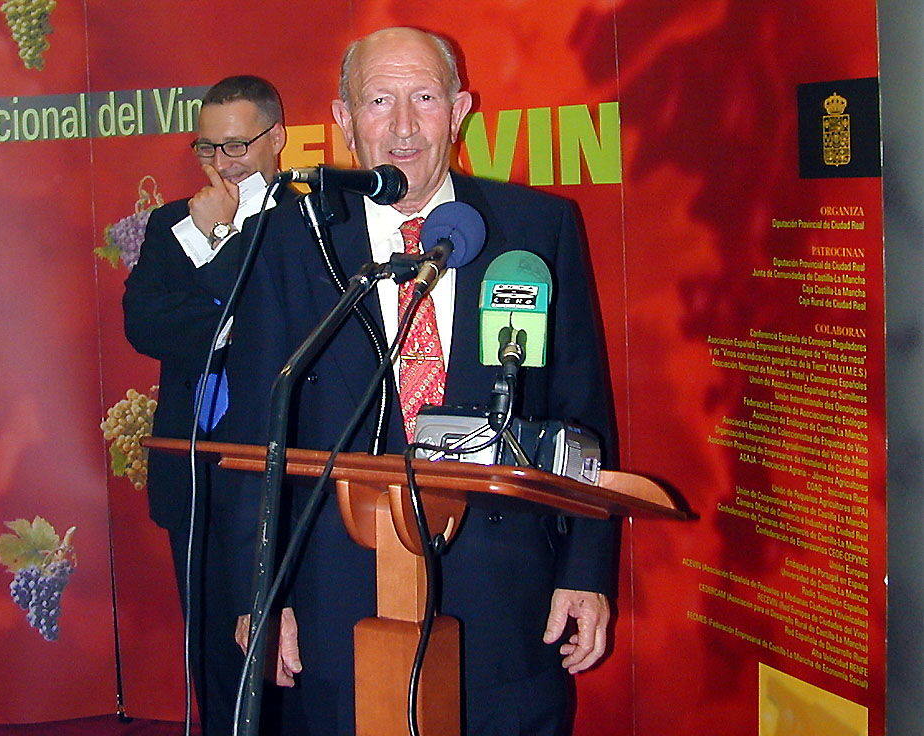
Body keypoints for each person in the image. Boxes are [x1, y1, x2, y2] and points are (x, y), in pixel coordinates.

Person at [218, 27, 619, 735]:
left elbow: (582, 412)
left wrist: (586, 570)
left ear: (459, 110)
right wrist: (262, 594)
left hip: (505, 591)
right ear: (343, 119)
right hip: (335, 595)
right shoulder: (285, 240)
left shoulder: (537, 228)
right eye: (379, 100)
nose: (403, 127)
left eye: (425, 98)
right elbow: (256, 427)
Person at [122, 74, 288, 736]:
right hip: (193, 477)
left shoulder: (308, 223)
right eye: (208, 148)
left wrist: (211, 248)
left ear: (276, 138)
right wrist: (230, 326)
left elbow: (277, 329)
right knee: (216, 659)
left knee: (287, 652)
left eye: (238, 146)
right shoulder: (169, 223)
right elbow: (144, 321)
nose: (223, 164)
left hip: (280, 480)